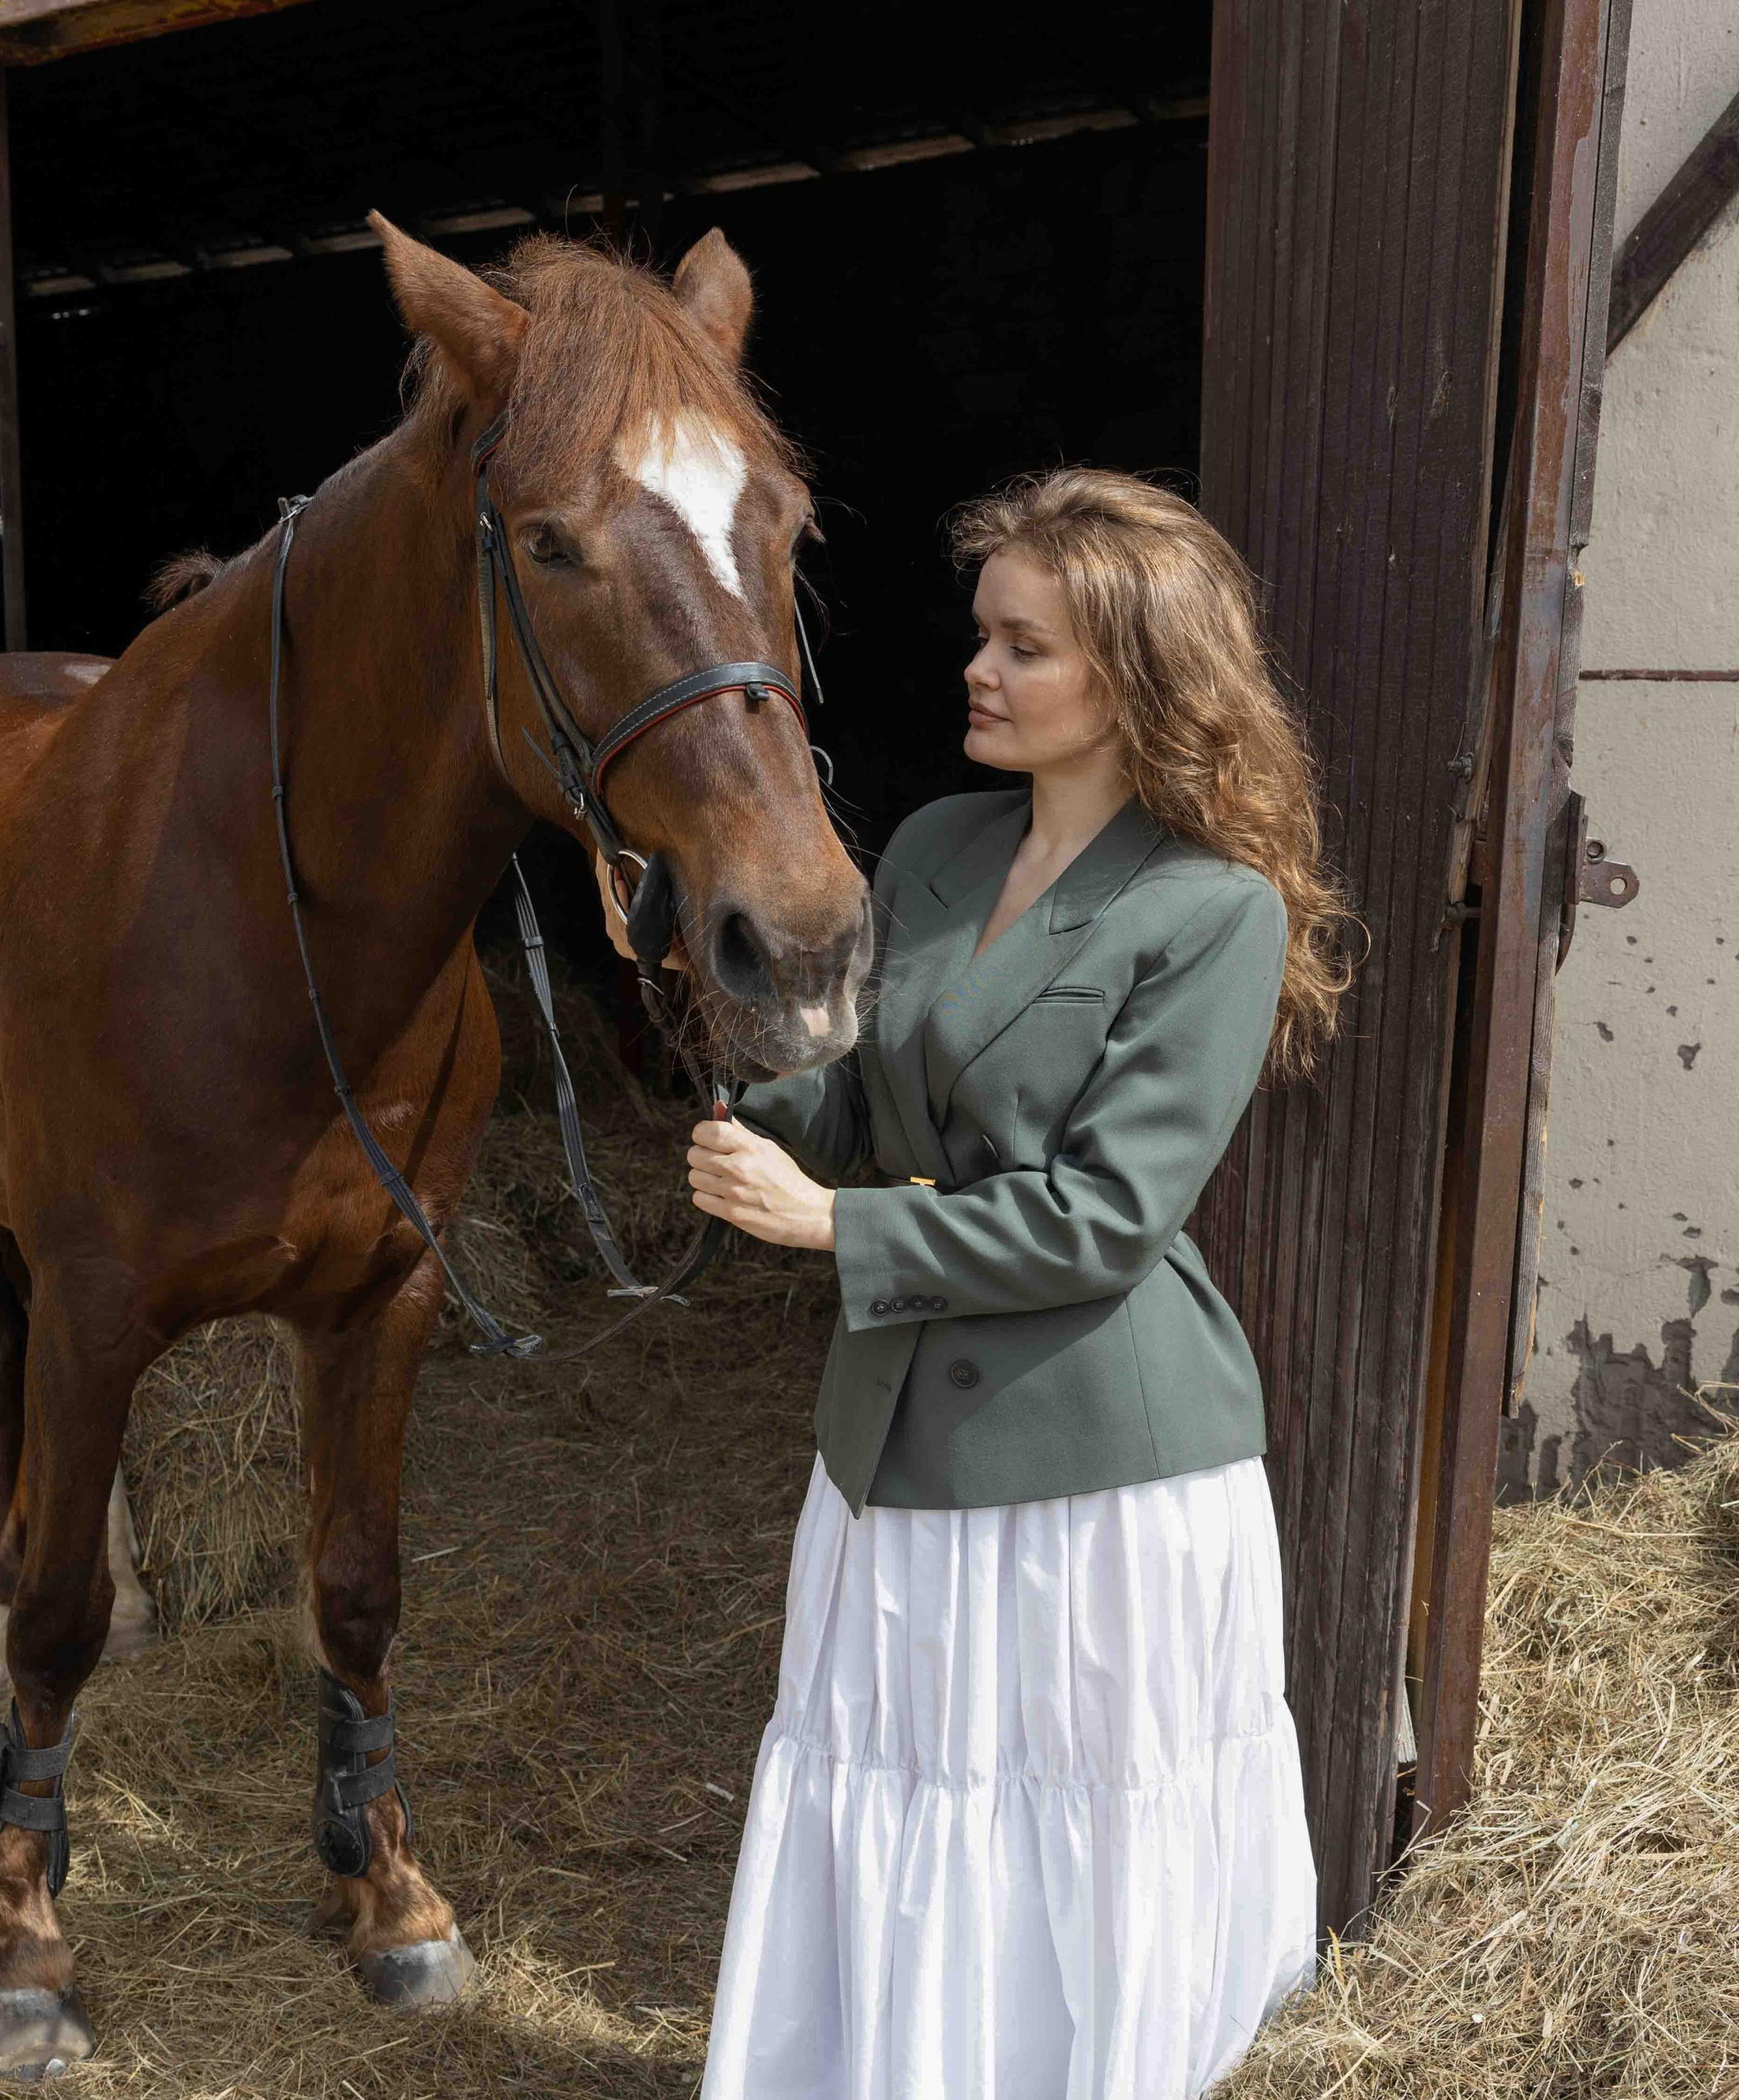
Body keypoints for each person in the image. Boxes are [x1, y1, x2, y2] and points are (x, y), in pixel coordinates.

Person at [687, 468, 1352, 2100]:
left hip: (1093, 1470)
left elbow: (1100, 1218)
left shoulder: (1210, 908)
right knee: (892, 1786)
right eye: (981, 636)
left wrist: (827, 1228)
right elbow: (854, 1094)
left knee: (1051, 1808)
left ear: (1131, 672)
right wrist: (744, 1069)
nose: (976, 671)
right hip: (888, 1442)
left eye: (1022, 646)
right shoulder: (929, 845)